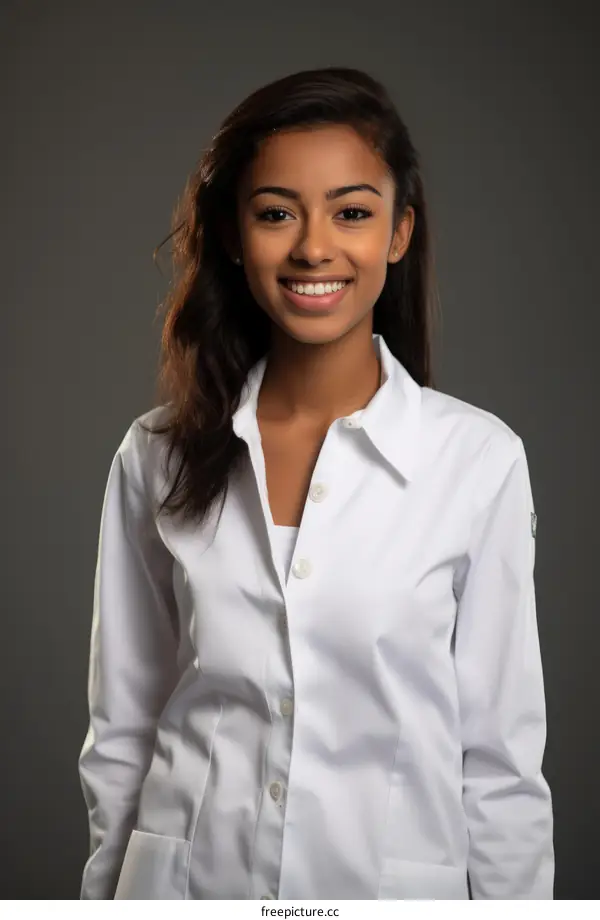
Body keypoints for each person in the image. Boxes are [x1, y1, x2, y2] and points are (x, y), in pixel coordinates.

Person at [78, 66, 554, 900]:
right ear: (234, 233)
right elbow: (122, 732)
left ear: (399, 233)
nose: (313, 247)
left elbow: (502, 768)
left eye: (353, 212)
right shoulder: (155, 456)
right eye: (275, 213)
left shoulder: (478, 464)